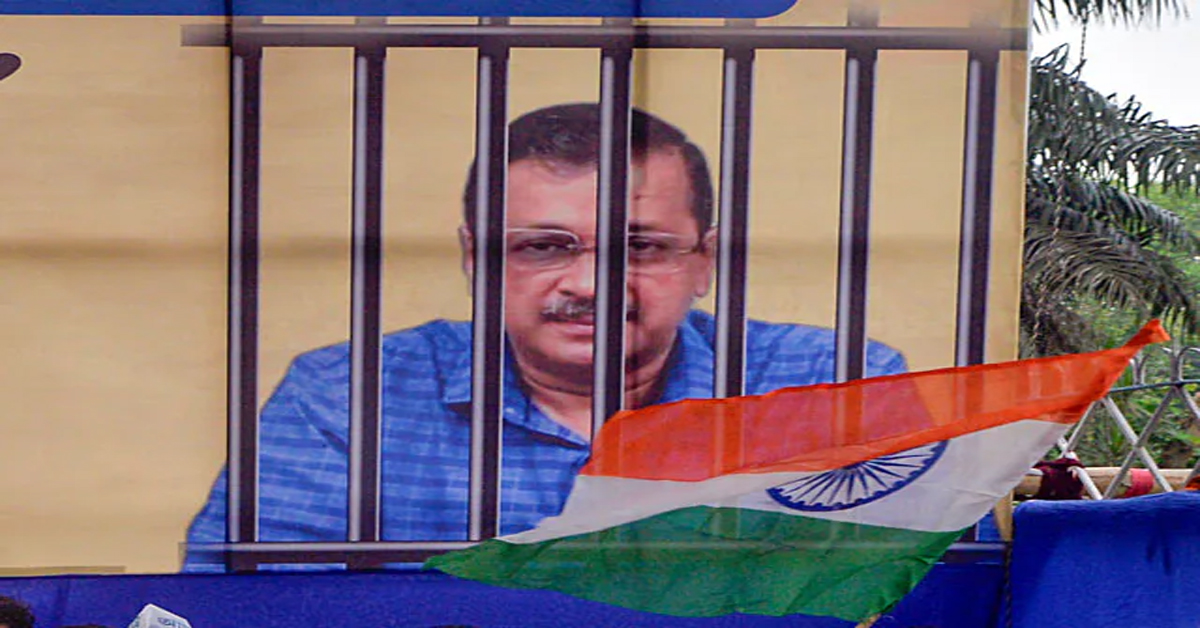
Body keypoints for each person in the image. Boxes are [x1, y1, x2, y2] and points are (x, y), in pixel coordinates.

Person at [183, 103, 907, 571]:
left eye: (641, 247)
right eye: (542, 246)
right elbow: (244, 606)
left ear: (703, 262)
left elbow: (910, 598)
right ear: (476, 258)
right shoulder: (346, 398)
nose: (590, 284)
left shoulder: (839, 384)